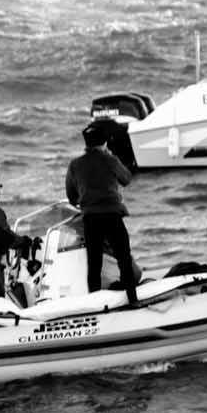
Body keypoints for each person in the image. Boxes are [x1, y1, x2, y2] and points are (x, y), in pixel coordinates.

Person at [65, 122, 140, 303]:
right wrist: (113, 158)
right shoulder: (110, 159)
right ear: (104, 141)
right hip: (112, 216)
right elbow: (126, 179)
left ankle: (96, 305)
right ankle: (133, 300)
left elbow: (71, 196)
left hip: (90, 219)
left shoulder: (75, 165)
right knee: (124, 260)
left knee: (94, 265)